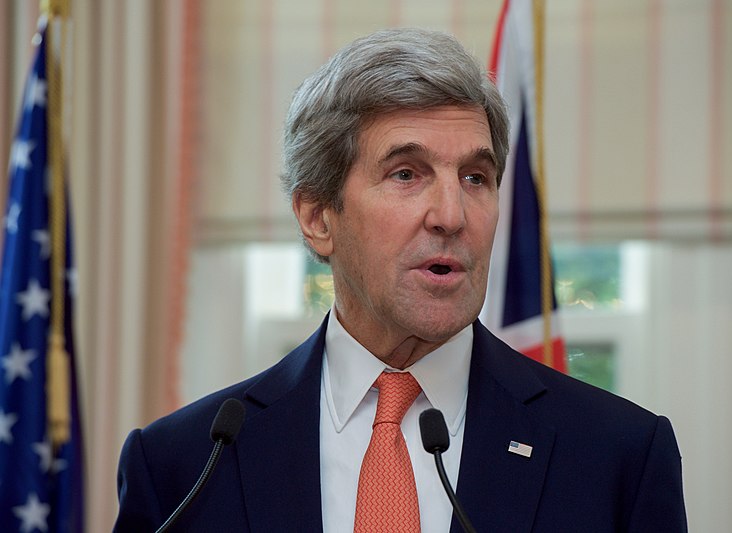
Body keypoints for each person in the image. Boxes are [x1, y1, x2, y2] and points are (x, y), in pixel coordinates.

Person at [114, 28, 687, 532]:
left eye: (475, 177)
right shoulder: (185, 463)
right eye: (406, 174)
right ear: (318, 218)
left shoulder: (617, 457)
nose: (452, 214)